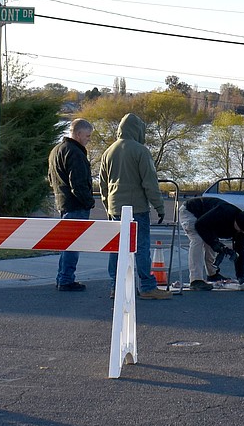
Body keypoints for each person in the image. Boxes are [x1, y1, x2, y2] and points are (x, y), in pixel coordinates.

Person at [97, 113, 171, 300]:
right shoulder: (140, 151)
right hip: (137, 207)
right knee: (141, 247)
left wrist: (107, 207)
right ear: (137, 130)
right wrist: (159, 206)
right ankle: (146, 286)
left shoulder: (108, 152)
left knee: (116, 249)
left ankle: (116, 286)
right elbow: (150, 183)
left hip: (115, 208)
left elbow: (102, 185)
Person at [48, 118, 96, 292]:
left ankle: (63, 276)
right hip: (76, 205)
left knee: (66, 243)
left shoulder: (56, 151)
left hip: (63, 203)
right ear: (78, 134)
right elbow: (79, 183)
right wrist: (89, 202)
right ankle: (67, 279)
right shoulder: (75, 153)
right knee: (73, 244)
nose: (88, 140)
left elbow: (51, 179)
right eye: (87, 136)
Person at [179, 196, 244, 291]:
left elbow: (239, 251)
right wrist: (214, 244)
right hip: (190, 211)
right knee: (198, 240)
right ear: (235, 222)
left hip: (206, 220)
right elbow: (199, 225)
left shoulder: (241, 228)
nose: (239, 232)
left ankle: (212, 274)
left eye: (243, 231)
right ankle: (195, 280)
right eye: (239, 229)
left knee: (211, 241)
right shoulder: (223, 212)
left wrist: (240, 277)